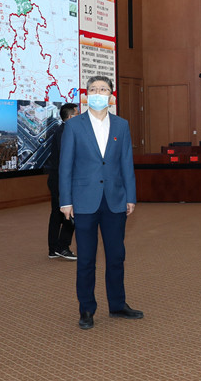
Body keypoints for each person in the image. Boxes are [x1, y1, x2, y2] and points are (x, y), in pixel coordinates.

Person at [60, 76, 141, 330]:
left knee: (116, 256)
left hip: (115, 200)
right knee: (86, 259)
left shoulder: (121, 125)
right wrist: (65, 200)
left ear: (111, 96)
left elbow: (126, 162)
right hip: (84, 201)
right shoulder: (74, 126)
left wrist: (130, 196)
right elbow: (65, 166)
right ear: (86, 96)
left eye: (103, 89)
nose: (98, 93)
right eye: (93, 89)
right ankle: (86, 309)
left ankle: (117, 305)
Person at [46, 102, 79, 260]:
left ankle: (53, 248)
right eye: (77, 114)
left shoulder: (62, 130)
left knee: (57, 214)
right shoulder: (66, 132)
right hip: (63, 179)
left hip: (56, 177)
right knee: (69, 212)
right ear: (71, 117)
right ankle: (62, 247)